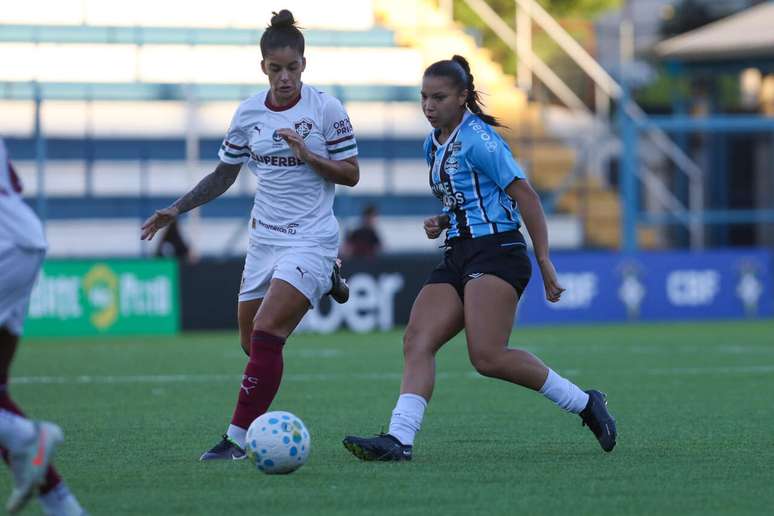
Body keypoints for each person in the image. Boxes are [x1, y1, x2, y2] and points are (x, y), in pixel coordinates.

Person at [342, 56, 616, 461]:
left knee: (487, 357)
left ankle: (585, 403)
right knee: (417, 339)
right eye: (424, 97)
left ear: (463, 97)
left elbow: (526, 195)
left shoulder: (480, 140)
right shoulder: (431, 143)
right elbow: (468, 198)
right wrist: (444, 218)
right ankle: (400, 440)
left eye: (439, 97)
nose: (428, 106)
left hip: (498, 251)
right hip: (458, 252)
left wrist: (544, 260)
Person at [140, 10, 357, 460]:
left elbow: (351, 173)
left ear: (304, 64)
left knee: (266, 331)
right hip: (264, 241)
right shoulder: (248, 113)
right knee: (250, 343)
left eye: (292, 68)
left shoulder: (325, 109)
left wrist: (308, 154)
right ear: (263, 67)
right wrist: (176, 210)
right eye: (275, 69)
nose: (284, 78)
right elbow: (225, 174)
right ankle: (330, 278)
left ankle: (235, 440)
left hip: (311, 238)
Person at [0, 138, 87, 514]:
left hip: (5, 246)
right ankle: (63, 506)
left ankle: (25, 435)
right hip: (23, 239)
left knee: (14, 428)